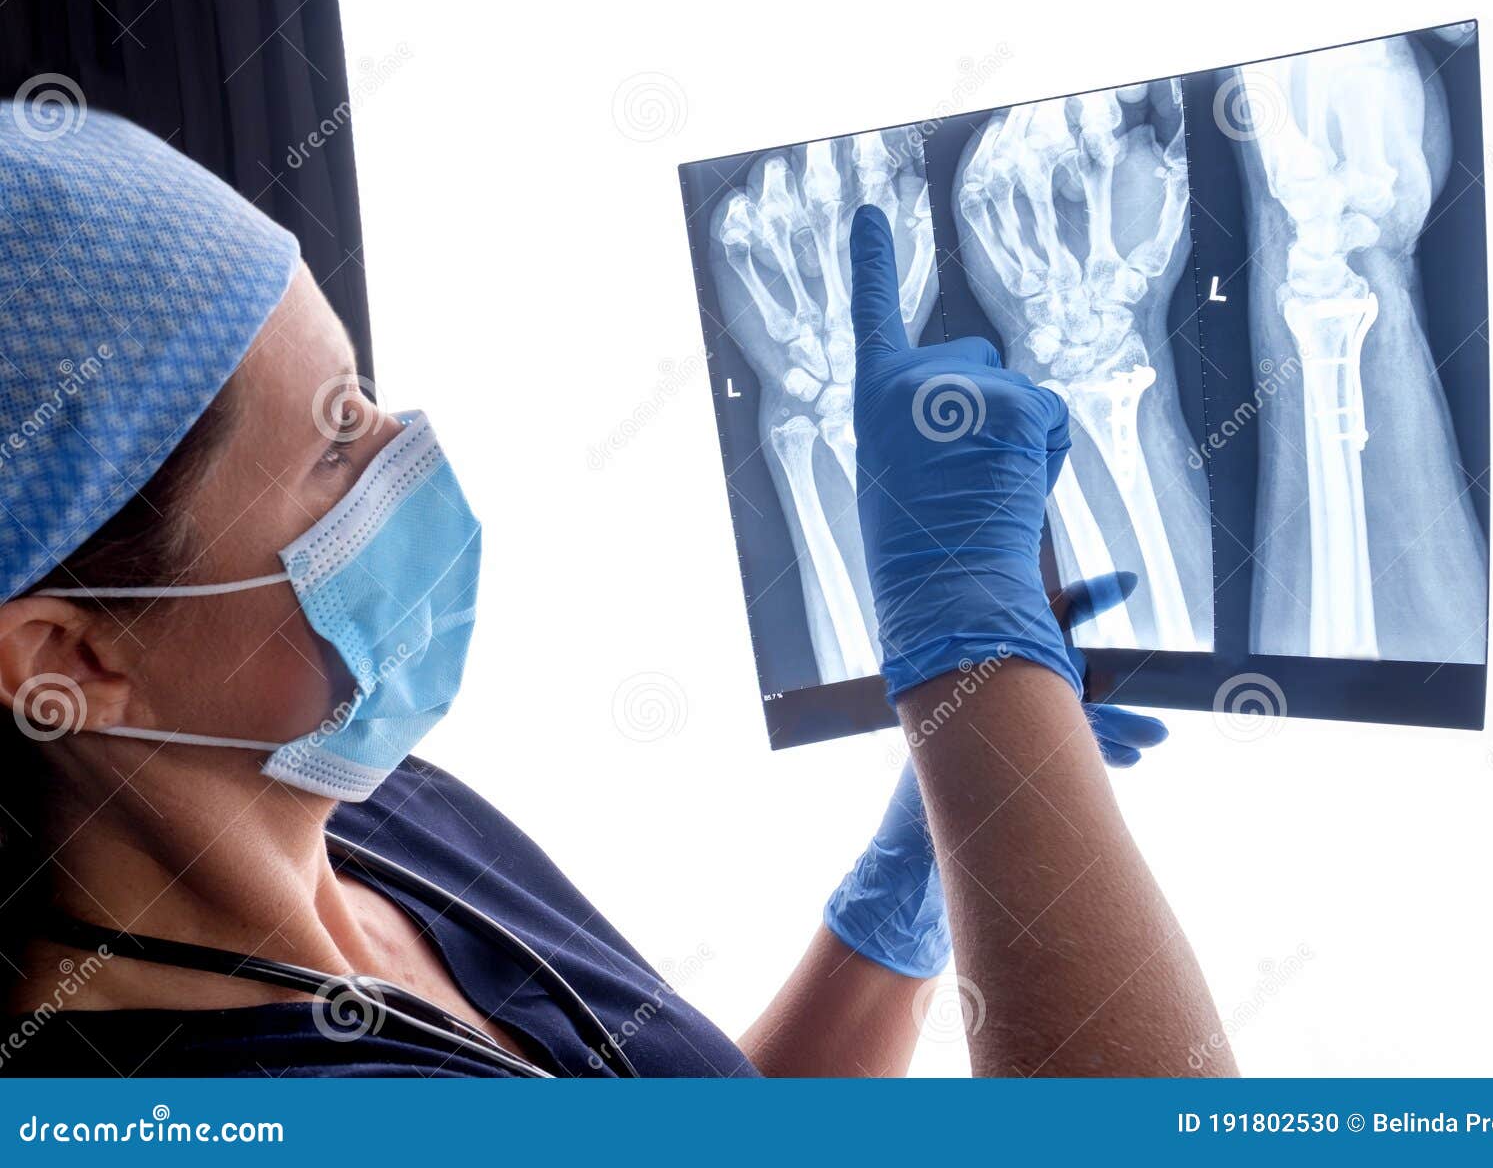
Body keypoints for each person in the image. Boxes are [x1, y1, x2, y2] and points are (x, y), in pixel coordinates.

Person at [0, 105, 1233, 1077]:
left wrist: (893, 921)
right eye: (332, 449)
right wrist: (979, 666)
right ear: (68, 663)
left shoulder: (375, 819)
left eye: (363, 391)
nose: (406, 458)